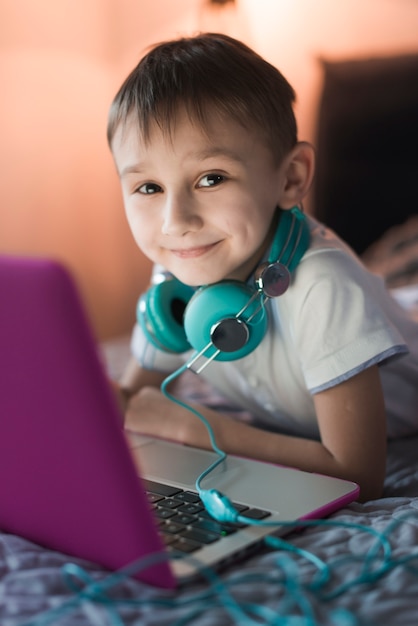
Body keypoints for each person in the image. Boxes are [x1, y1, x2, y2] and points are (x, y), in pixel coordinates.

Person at [107, 33, 418, 502]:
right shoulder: (176, 276)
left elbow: (359, 473)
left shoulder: (323, 286)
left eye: (211, 178)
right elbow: (132, 401)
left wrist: (199, 429)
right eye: (148, 187)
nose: (177, 223)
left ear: (291, 178)